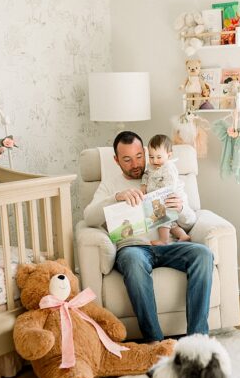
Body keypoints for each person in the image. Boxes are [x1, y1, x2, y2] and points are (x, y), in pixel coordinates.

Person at [83, 130, 214, 343]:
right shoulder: (110, 185)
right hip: (134, 248)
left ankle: (197, 339)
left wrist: (180, 208)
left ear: (145, 152)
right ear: (116, 160)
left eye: (139, 156)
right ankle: (155, 341)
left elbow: (190, 222)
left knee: (203, 254)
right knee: (133, 261)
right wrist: (116, 197)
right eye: (127, 159)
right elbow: (88, 217)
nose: (135, 164)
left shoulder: (166, 176)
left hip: (168, 245)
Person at [143, 133, 191, 245]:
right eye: (151, 157)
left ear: (169, 155)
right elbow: (146, 174)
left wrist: (162, 193)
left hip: (165, 198)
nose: (155, 161)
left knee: (162, 221)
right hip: (154, 198)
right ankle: (183, 235)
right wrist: (143, 185)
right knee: (172, 223)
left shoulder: (168, 167)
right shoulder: (150, 166)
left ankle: (163, 240)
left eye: (159, 157)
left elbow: (171, 183)